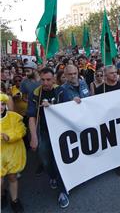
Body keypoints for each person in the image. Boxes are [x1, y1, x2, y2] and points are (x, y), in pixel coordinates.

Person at [27, 68, 69, 208]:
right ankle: (52, 176)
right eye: (43, 80)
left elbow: (69, 109)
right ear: (40, 79)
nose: (46, 83)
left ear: (54, 79)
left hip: (60, 132)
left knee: (59, 161)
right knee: (45, 160)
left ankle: (63, 191)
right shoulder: (35, 94)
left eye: (48, 80)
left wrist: (52, 106)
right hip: (44, 131)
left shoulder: (61, 91)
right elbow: (32, 117)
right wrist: (33, 137)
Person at [1, 93, 26, 213]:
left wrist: (9, 136)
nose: (0, 107)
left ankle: (14, 200)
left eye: (2, 104)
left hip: (12, 152)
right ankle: (2, 195)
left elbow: (22, 130)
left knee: (12, 176)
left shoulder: (14, 117)